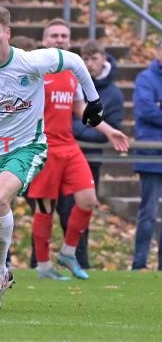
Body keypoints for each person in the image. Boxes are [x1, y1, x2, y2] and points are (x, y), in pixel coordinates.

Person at [0, 4, 105, 311]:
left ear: (7, 33)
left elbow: (75, 61)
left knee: (0, 199)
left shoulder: (31, 61)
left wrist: (94, 101)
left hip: (29, 147)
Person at [27, 19, 128, 282]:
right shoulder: (33, 68)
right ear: (45, 40)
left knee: (87, 199)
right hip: (43, 147)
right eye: (54, 35)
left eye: (64, 36)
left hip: (69, 146)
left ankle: (68, 253)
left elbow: (80, 108)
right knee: (45, 208)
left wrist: (108, 130)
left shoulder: (73, 71)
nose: (60, 39)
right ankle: (44, 265)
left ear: (70, 41)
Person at [54, 39, 124, 269]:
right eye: (85, 58)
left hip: (88, 158)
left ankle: (79, 259)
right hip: (59, 152)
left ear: (104, 58)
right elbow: (66, 113)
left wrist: (73, 128)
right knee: (52, 208)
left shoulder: (113, 93)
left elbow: (97, 127)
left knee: (84, 204)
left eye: (94, 58)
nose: (90, 64)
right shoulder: (71, 80)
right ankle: (42, 263)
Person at [132, 40, 162, 270]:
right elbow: (147, 110)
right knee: (148, 213)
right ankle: (139, 263)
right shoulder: (146, 78)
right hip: (151, 154)